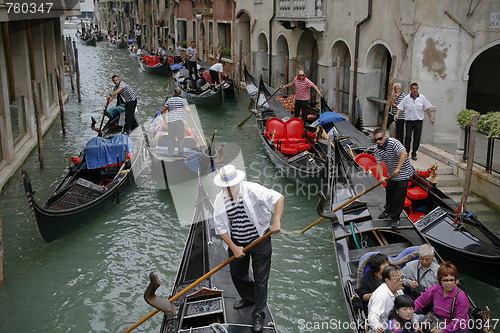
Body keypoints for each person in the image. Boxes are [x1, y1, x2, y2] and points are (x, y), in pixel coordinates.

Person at [213, 165, 284, 333]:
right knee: (237, 274)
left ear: (238, 181)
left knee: (261, 278)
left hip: (260, 239)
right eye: (226, 187)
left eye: (231, 186)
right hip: (237, 241)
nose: (229, 190)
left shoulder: (253, 190)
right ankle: (248, 297)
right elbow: (220, 227)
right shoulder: (219, 200)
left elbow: (278, 198)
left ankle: (258, 313)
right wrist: (234, 247)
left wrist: (276, 221)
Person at [373, 127, 413, 229]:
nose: (378, 141)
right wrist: (381, 177)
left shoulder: (394, 143)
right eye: (376, 140)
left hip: (404, 172)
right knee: (389, 191)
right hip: (392, 174)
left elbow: (404, 153)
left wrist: (398, 168)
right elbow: (378, 164)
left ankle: (395, 218)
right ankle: (388, 210)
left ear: (385, 136)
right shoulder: (376, 148)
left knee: (399, 196)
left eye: (380, 138)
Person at [414, 262, 470, 333]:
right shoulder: (434, 290)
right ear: (440, 280)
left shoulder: (461, 297)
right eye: (446, 280)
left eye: (451, 280)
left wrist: (441, 331)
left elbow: (459, 320)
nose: (449, 283)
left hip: (457, 328)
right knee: (417, 318)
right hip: (438, 320)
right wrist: (409, 311)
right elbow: (420, 301)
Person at [395, 83, 434, 161]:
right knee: (408, 137)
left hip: (418, 121)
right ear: (411, 89)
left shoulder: (422, 98)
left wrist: (431, 117)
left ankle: (414, 153)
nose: (415, 90)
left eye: (416, 89)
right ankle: (406, 152)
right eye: (413, 89)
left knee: (417, 138)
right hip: (409, 121)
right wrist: (397, 114)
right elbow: (400, 107)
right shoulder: (406, 98)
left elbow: (427, 108)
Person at [367, 265, 406, 333]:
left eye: (401, 278)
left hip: (399, 323)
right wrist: (377, 327)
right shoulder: (381, 296)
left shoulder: (399, 290)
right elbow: (372, 315)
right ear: (387, 280)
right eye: (397, 279)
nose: (401, 281)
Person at [161, 87, 191, 156]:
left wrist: (165, 121)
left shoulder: (169, 100)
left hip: (171, 122)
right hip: (180, 122)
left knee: (171, 140)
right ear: (180, 93)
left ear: (174, 93)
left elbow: (162, 110)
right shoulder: (183, 101)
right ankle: (180, 156)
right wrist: (188, 109)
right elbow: (188, 110)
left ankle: (170, 155)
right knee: (181, 140)